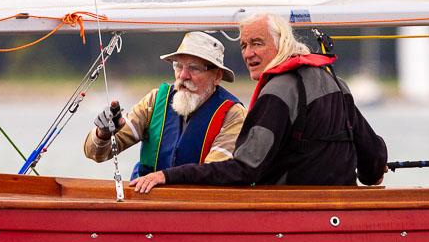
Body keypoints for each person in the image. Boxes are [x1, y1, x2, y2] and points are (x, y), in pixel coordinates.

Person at [131, 13, 387, 193]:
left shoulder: (278, 92)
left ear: (282, 43)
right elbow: (374, 163)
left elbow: (244, 169)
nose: (248, 53)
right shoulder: (337, 84)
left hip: (291, 218)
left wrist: (169, 175)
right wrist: (370, 173)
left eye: (257, 43)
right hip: (341, 213)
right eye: (243, 45)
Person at [84, 31, 247, 179]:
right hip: (147, 201)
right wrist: (103, 133)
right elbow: (96, 154)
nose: (183, 76)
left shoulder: (233, 114)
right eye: (178, 66)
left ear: (217, 76)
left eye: (194, 68)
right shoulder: (155, 101)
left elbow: (215, 171)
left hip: (195, 206)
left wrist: (166, 177)